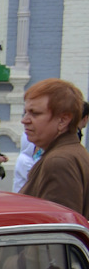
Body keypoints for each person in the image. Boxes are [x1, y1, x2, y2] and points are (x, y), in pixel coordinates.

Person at [19, 78, 89, 218]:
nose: (25, 120)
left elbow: (59, 231)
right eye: (25, 112)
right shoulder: (71, 152)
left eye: (35, 113)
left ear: (63, 120)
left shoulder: (59, 161)